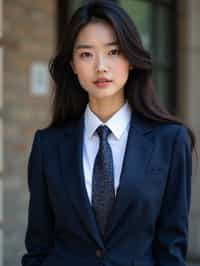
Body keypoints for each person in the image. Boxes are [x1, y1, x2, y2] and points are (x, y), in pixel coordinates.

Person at [21, 1, 195, 266]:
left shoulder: (170, 141)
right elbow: (38, 245)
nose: (101, 66)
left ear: (131, 59)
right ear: (72, 65)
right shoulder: (48, 145)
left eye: (113, 51)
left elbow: (171, 249)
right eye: (86, 54)